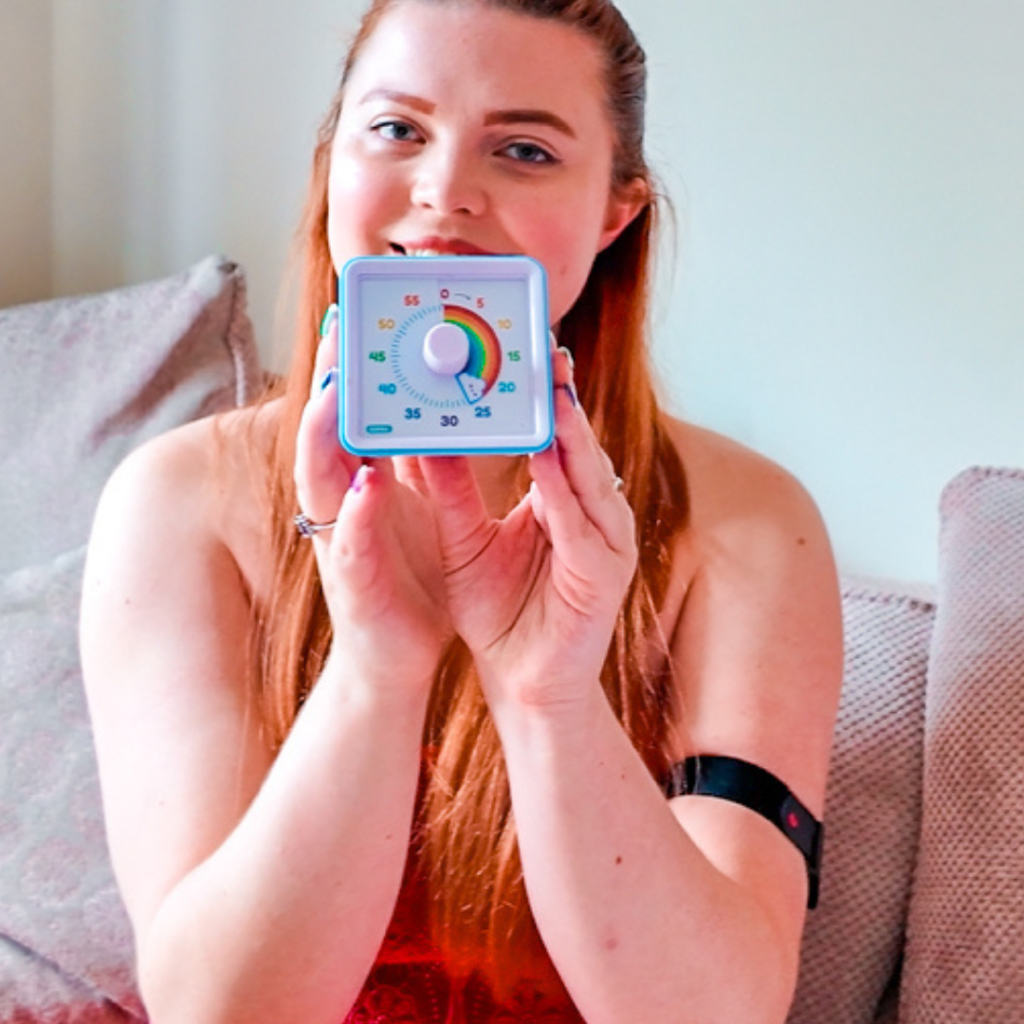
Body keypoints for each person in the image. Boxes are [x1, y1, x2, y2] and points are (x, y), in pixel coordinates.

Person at [80, 1, 844, 1022]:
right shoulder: (179, 502)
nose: (443, 195)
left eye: (523, 149)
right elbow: (220, 1009)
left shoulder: (750, 526)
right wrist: (373, 667)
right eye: (397, 130)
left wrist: (550, 696)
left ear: (614, 213)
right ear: (332, 162)